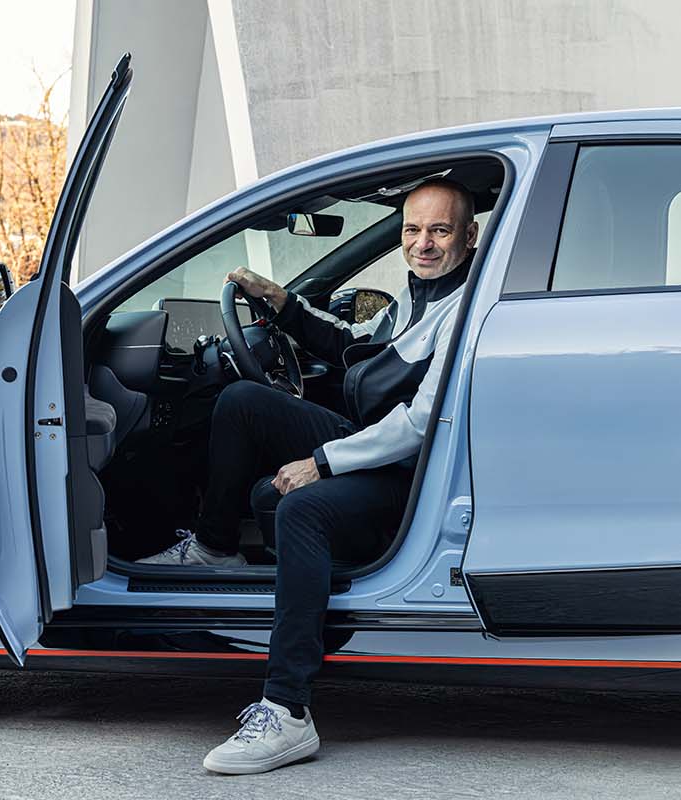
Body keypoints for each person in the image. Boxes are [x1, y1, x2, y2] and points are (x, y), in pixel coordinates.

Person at [135, 178, 479, 774]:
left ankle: (287, 712)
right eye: (412, 231)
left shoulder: (464, 310)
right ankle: (216, 548)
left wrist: (321, 462)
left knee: (299, 507)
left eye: (440, 231)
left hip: (409, 474)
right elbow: (353, 352)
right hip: (369, 444)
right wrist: (281, 303)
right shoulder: (417, 295)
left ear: (469, 236)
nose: (422, 244)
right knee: (242, 400)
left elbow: (421, 424)